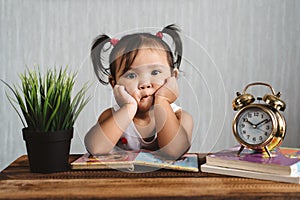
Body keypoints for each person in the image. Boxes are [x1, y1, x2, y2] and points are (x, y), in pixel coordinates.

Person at [84, 24, 193, 159]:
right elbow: (96, 148)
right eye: (131, 75)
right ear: (114, 83)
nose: (144, 84)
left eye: (155, 72)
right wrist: (129, 107)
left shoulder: (181, 117)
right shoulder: (112, 116)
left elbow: (174, 151)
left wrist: (162, 100)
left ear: (173, 77)